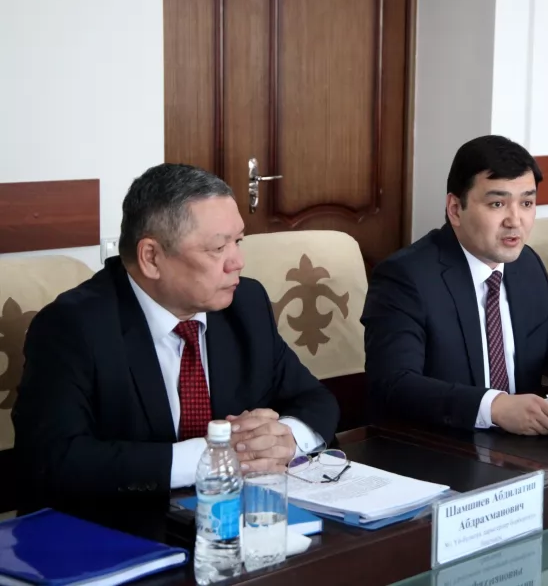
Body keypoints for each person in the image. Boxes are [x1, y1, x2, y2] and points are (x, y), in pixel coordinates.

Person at [14, 164, 339, 507]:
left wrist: (285, 438)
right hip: (118, 525)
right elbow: (53, 460)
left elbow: (315, 400)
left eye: (238, 241)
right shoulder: (72, 326)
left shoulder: (246, 304)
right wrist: (211, 457)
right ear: (152, 258)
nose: (237, 262)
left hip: (235, 517)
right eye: (218, 248)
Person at [361, 136, 548, 435]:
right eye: (497, 204)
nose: (515, 221)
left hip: (524, 445)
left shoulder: (525, 265)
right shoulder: (405, 277)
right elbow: (394, 384)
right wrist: (493, 407)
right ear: (455, 209)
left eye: (526, 203)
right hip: (439, 444)